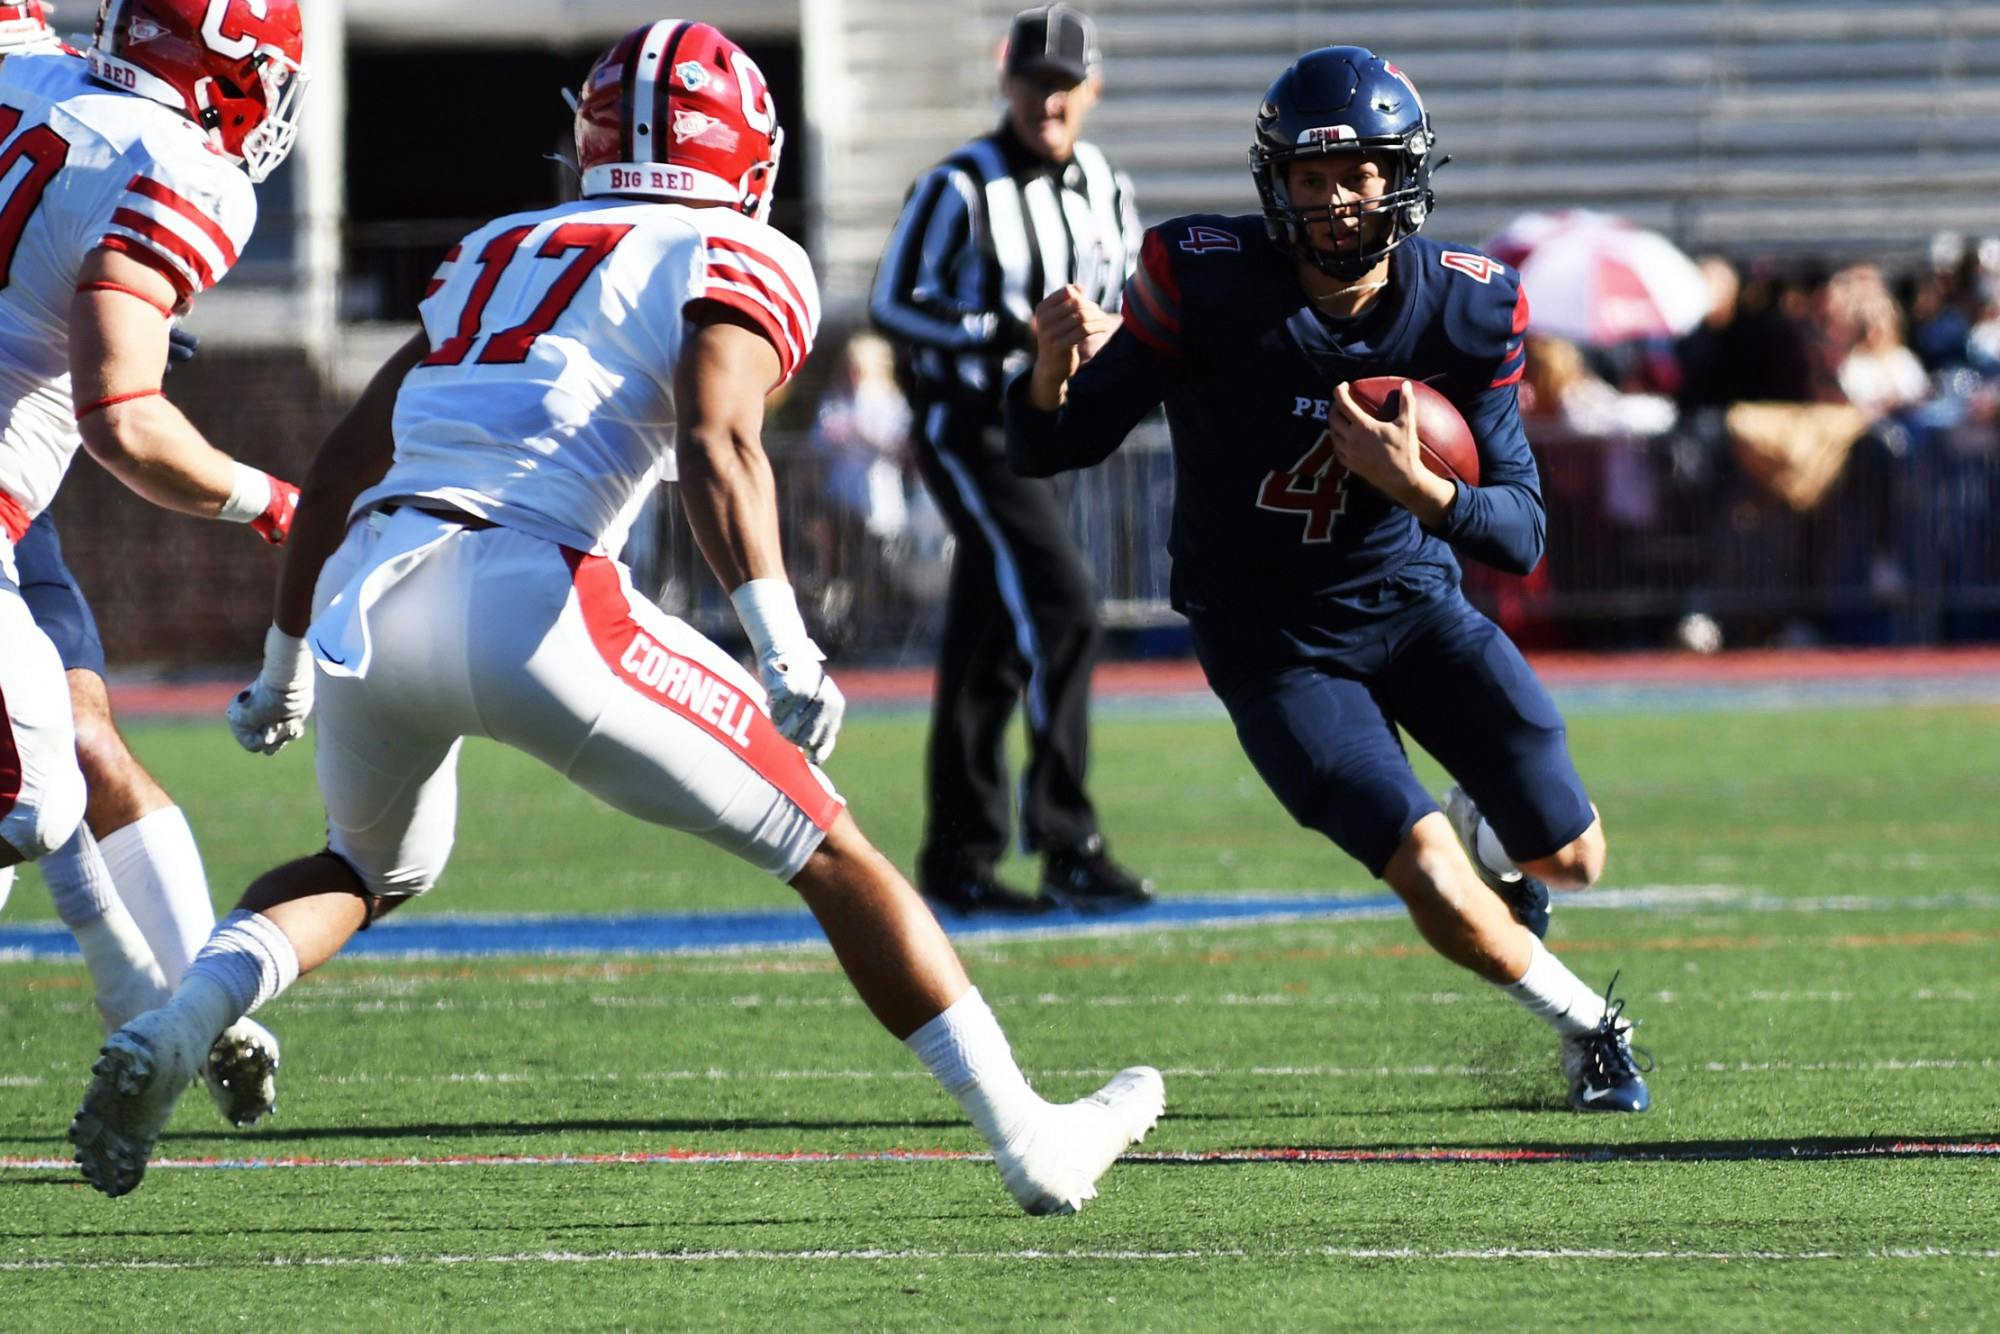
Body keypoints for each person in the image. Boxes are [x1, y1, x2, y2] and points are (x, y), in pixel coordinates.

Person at [68, 19, 1164, 1210]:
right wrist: (784, 639)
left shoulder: (498, 246)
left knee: (365, 864)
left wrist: (283, 662)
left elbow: (336, 470)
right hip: (537, 599)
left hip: (368, 599)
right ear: (748, 153)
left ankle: (176, 1030)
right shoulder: (736, 245)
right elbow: (716, 437)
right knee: (832, 847)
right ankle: (1028, 1137)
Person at [1007, 45, 1652, 1112]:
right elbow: (1051, 446)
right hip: (1273, 644)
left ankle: (1495, 830)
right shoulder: (1201, 281)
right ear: (1276, 184)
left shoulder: (1465, 307)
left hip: (1413, 606)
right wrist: (1042, 372)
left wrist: (1421, 490)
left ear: (1403, 173)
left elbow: (1521, 532)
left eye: (1358, 173)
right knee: (1431, 875)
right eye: (1312, 179)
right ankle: (1590, 1025)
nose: (1339, 201)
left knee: (1570, 858)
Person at [0, 0, 309, 1123]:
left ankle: (176, 1004)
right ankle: (162, 999)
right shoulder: (179, 168)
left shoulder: (30, 68)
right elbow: (124, 418)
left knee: (54, 767)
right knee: (29, 802)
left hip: (13, 509)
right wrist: (279, 504)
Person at [869, 4, 1152, 916]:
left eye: (1065, 87)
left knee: (989, 639)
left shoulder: (1107, 181)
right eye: (1035, 85)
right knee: (1064, 605)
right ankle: (1067, 839)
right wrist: (1000, 333)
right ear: (1008, 84)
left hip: (1048, 425)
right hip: (972, 423)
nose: (1049, 103)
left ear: (1091, 90)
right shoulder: (959, 185)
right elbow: (890, 303)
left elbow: (1129, 293)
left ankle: (959, 856)